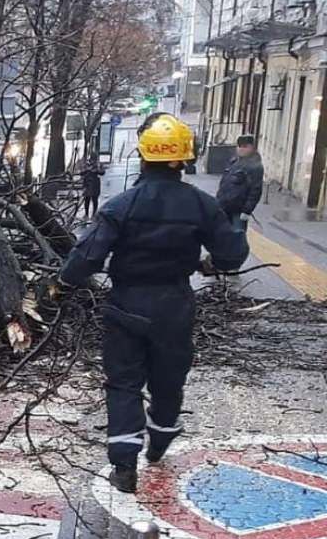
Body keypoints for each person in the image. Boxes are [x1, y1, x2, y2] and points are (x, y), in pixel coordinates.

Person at [59, 113, 249, 494]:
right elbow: (232, 255)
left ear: (143, 156)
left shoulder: (121, 205)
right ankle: (159, 441)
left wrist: (64, 283)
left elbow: (87, 257)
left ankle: (125, 465)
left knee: (124, 383)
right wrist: (212, 265)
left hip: (126, 304)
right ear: (184, 160)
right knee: (168, 378)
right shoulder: (201, 206)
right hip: (174, 305)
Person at [215, 134, 264, 230]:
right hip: (224, 207)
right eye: (239, 146)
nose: (241, 149)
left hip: (238, 211)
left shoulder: (255, 166)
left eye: (245, 147)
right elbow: (224, 183)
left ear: (252, 148)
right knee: (223, 237)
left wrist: (247, 211)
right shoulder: (233, 162)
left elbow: (255, 190)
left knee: (238, 239)